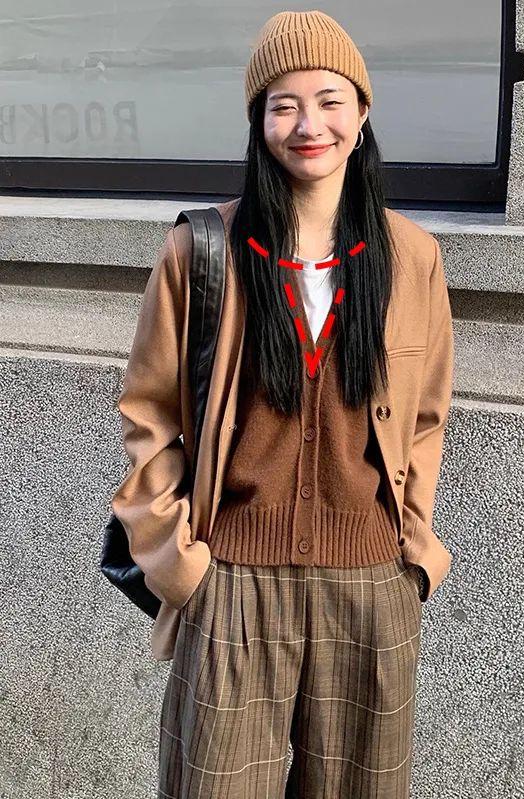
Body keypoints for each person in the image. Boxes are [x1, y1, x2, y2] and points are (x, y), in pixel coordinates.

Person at [112, 9, 454, 797]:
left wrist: (412, 560)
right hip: (231, 584)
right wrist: (181, 565)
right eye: (284, 104)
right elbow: (149, 414)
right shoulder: (200, 250)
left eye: (330, 100)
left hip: (371, 589)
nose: (309, 124)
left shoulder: (412, 257)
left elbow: (426, 416)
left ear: (361, 114)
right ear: (258, 120)